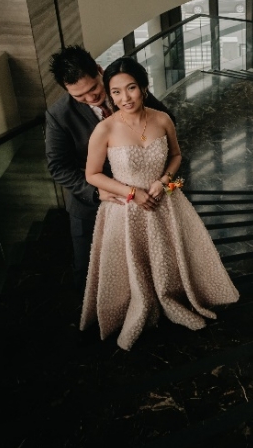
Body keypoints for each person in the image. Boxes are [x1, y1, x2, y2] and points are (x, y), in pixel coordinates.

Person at [80, 57, 239, 350]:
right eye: (116, 92)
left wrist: (164, 181)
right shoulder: (105, 129)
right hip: (127, 211)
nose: (124, 98)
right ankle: (140, 305)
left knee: (170, 257)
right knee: (135, 264)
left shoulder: (162, 119)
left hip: (165, 202)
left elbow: (177, 156)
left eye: (131, 88)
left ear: (144, 86)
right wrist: (131, 193)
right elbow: (92, 174)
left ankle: (173, 298)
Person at [45, 46, 172, 292]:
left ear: (100, 71)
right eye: (79, 96)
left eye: (93, 88)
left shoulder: (125, 90)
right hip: (92, 203)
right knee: (88, 270)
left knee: (147, 261)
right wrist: (96, 192)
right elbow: (58, 167)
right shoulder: (58, 115)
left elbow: (166, 122)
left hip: (144, 196)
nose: (91, 98)